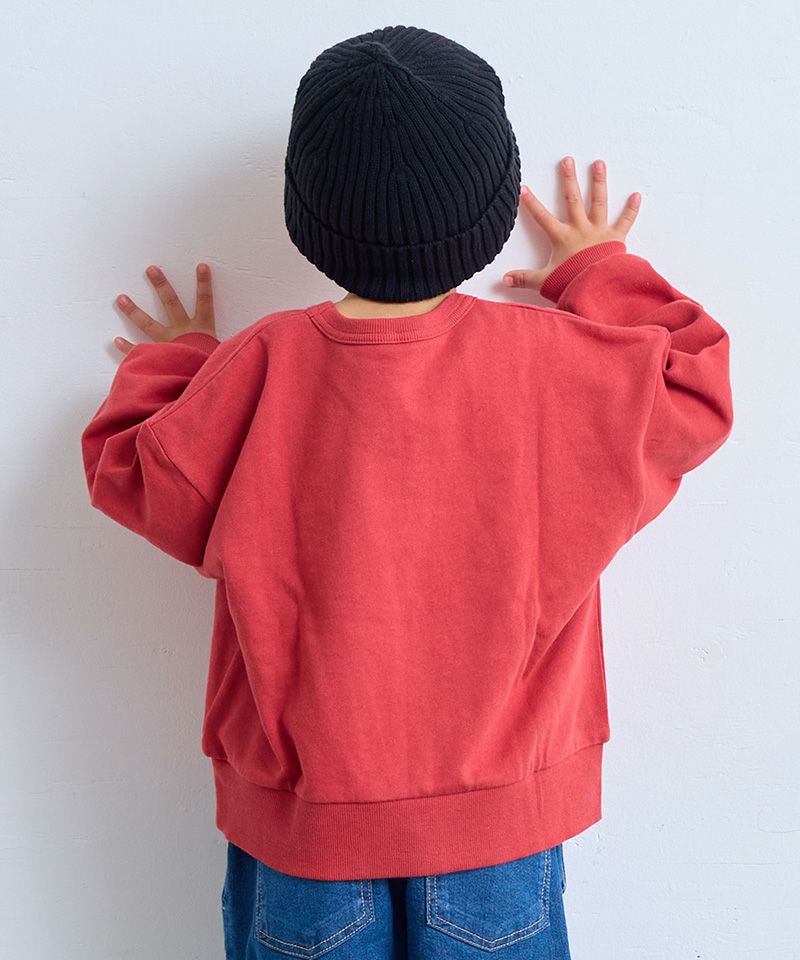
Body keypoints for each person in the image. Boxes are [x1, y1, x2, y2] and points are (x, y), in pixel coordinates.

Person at [79, 24, 734, 960]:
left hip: (306, 837)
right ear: (492, 208)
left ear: (307, 214)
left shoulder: (258, 370)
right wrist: (597, 271)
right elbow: (698, 383)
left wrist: (180, 362)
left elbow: (127, 468)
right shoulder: (558, 366)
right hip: (497, 833)